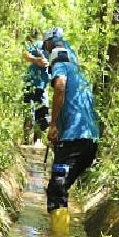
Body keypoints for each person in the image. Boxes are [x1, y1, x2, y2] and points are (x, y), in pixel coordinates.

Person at [42, 27, 100, 221]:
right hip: (89, 141)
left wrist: (53, 125)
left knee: (57, 191)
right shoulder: (76, 66)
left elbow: (60, 86)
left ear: (50, 44)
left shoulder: (59, 59)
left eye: (45, 47)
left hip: (74, 140)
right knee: (61, 189)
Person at [22, 29, 50, 145]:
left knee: (43, 112)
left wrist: (49, 64)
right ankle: (26, 139)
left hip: (42, 86)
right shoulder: (38, 45)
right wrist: (36, 60)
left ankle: (38, 140)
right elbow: (25, 54)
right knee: (28, 110)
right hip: (30, 83)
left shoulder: (56, 52)